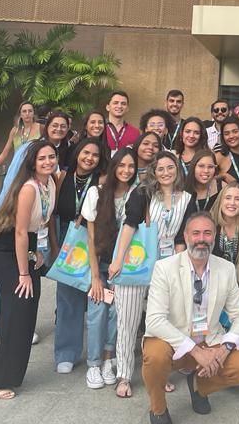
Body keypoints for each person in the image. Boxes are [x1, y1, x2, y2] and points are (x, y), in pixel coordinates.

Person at [141, 212, 239, 424]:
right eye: (196, 233)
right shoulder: (165, 268)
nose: (201, 239)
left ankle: (199, 387)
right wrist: (195, 351)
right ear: (186, 236)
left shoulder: (226, 269)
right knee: (154, 356)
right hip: (173, 342)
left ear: (214, 236)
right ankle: (158, 408)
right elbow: (154, 320)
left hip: (209, 341)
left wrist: (224, 349)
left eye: (207, 233)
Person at [109, 151, 191, 399]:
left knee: (163, 322)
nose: (166, 173)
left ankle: (159, 373)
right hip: (136, 261)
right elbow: (129, 225)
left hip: (167, 265)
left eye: (170, 167)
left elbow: (181, 237)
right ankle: (124, 375)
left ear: (177, 169)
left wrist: (179, 268)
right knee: (128, 321)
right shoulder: (143, 193)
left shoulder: (186, 197)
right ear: (154, 171)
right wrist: (117, 260)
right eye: (160, 168)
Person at [0, 139, 57, 399]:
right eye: (42, 158)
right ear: (32, 163)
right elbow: (18, 232)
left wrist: (36, 253)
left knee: (27, 311)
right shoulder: (29, 188)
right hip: (4, 250)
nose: (47, 162)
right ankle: (1, 380)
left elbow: (37, 226)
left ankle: (14, 375)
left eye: (51, 157)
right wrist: (23, 273)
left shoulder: (50, 183)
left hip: (25, 246)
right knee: (15, 311)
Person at [82, 147, 138, 389]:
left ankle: (108, 359)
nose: (126, 170)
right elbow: (91, 238)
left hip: (124, 267)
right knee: (97, 312)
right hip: (99, 264)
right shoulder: (96, 193)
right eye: (122, 165)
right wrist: (95, 277)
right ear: (114, 166)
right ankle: (93, 364)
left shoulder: (137, 194)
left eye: (131, 166)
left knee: (117, 313)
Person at [53, 138, 103, 374]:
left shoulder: (102, 180)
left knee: (97, 295)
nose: (89, 158)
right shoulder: (63, 176)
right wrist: (55, 245)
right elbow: (52, 213)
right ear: (77, 154)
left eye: (95, 155)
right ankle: (66, 352)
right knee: (68, 295)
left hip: (95, 238)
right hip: (68, 239)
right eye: (86, 153)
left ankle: (101, 353)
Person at [0, 102, 42, 176]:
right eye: (24, 111)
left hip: (35, 168)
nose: (27, 114)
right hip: (17, 169)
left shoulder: (41, 128)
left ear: (33, 113)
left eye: (30, 111)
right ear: (20, 115)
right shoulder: (15, 131)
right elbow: (5, 151)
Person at [185, 150, 223, 215]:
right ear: (193, 167)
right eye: (201, 166)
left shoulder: (222, 187)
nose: (206, 170)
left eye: (210, 167)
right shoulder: (182, 189)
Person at [216, 118, 239, 185]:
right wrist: (223, 175)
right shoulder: (219, 156)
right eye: (226, 133)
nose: (231, 136)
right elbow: (206, 178)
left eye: (235, 132)